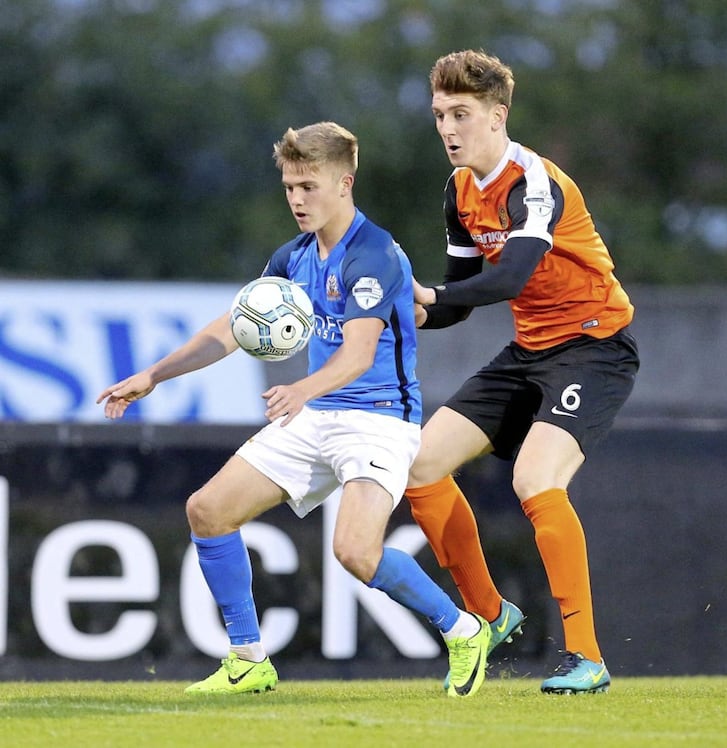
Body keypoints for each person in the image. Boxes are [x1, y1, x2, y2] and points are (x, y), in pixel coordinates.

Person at [97, 121, 491, 698]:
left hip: (379, 418)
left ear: (344, 183)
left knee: (356, 552)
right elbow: (234, 328)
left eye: (308, 186)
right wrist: (154, 374)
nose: (297, 200)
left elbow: (358, 356)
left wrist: (302, 390)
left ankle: (463, 630)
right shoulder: (295, 256)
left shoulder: (374, 254)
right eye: (288, 187)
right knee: (208, 511)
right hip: (317, 414)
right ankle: (248, 659)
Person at [405, 50, 640, 694]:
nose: (448, 129)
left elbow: (508, 276)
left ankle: (586, 656)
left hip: (594, 346)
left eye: (461, 114)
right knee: (419, 465)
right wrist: (404, 315)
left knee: (535, 479)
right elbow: (455, 302)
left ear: (497, 115)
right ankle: (487, 614)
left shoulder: (533, 181)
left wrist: (423, 295)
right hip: (530, 350)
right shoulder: (457, 190)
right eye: (438, 116)